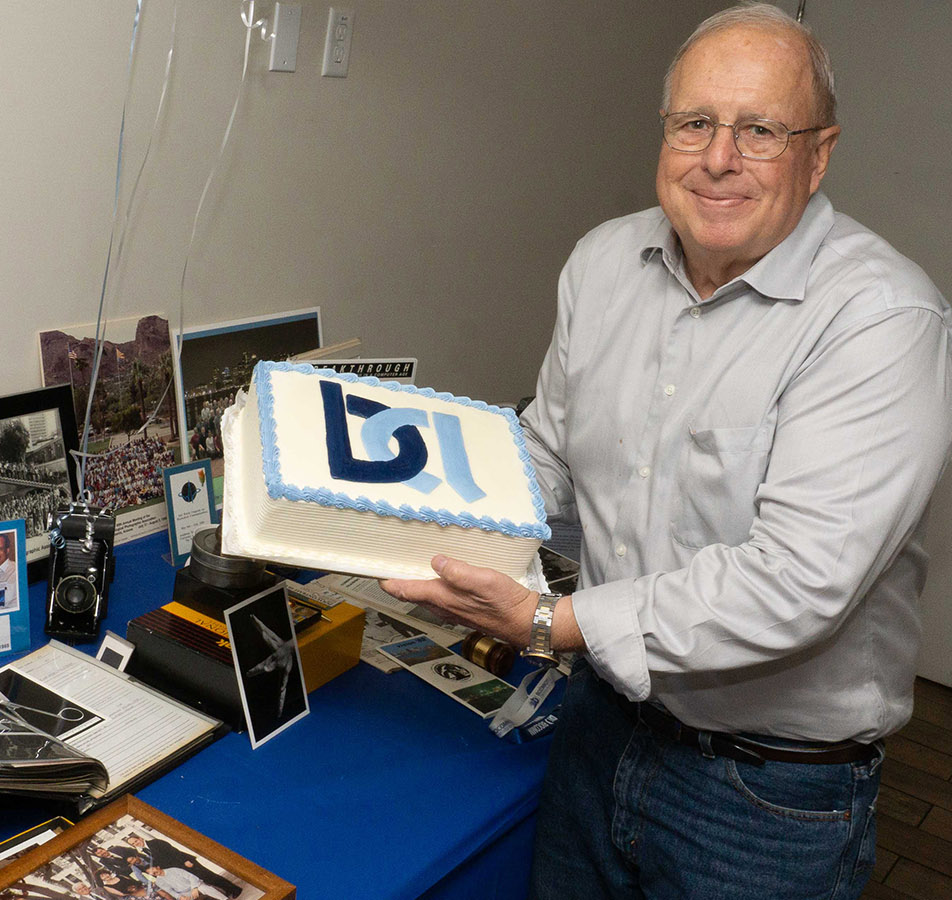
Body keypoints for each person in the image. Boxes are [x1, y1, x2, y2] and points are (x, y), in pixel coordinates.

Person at [380, 5, 951, 898]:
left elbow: (798, 582)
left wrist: (549, 624)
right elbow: (550, 456)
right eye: (695, 123)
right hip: (601, 727)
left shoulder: (881, 319)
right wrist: (400, 505)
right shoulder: (603, 262)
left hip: (770, 796)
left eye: (760, 129)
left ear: (820, 152)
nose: (717, 158)